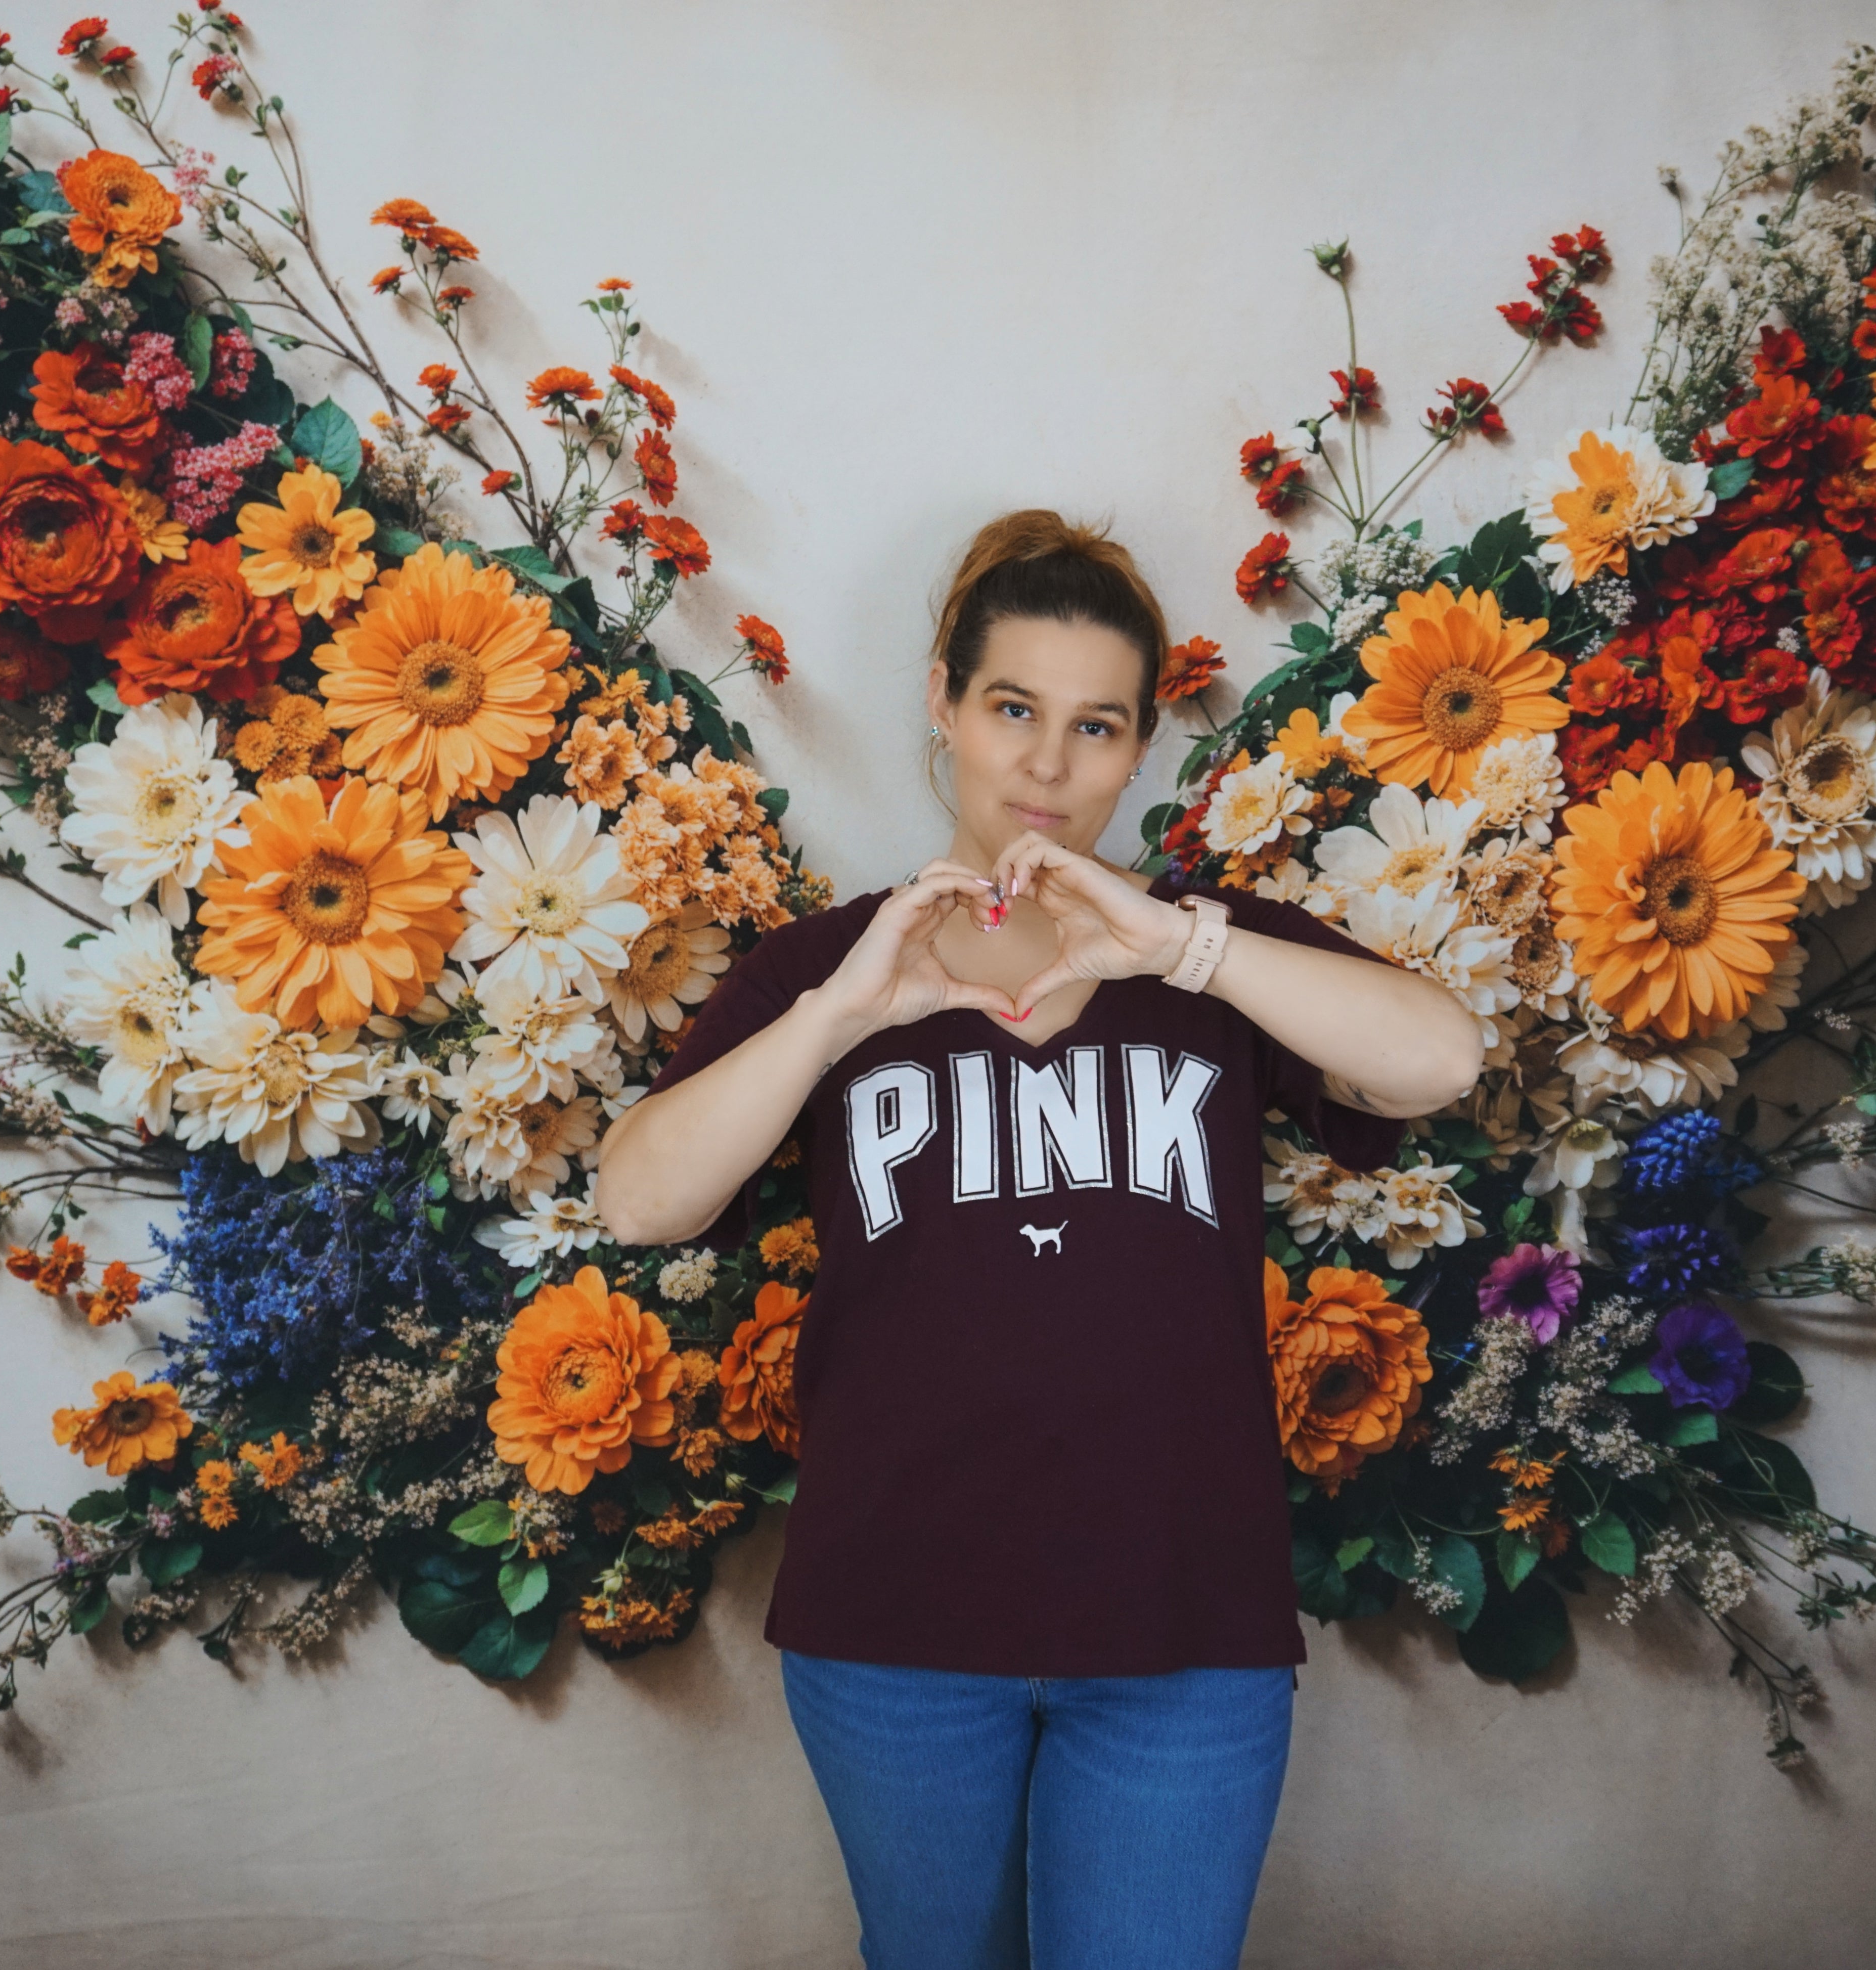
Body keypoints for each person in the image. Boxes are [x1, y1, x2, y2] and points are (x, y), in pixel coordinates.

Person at [593, 509, 1483, 1969]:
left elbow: (1439, 1063)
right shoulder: (828, 969)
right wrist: (839, 1021)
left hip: (1185, 1632)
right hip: (892, 1629)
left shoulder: (1217, 957)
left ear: (1140, 749)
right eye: (1012, 708)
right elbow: (642, 1201)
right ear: (945, 701)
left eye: (1097, 726)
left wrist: (1178, 945)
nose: (1047, 765)